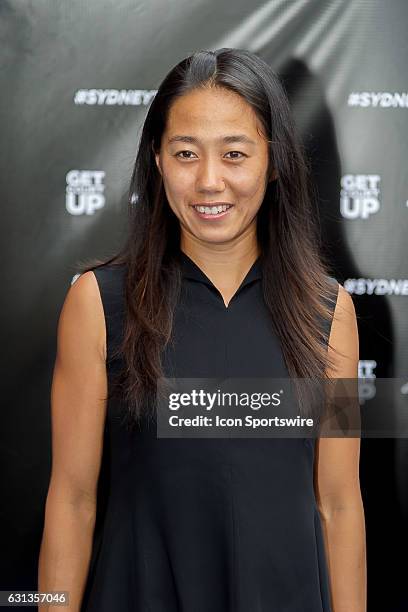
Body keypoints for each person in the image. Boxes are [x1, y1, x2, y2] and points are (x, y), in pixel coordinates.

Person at [38, 48, 366, 611]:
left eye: (234, 154)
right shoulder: (98, 304)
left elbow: (338, 504)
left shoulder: (329, 315)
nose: (209, 181)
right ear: (158, 161)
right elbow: (72, 501)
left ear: (274, 160)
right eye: (186, 153)